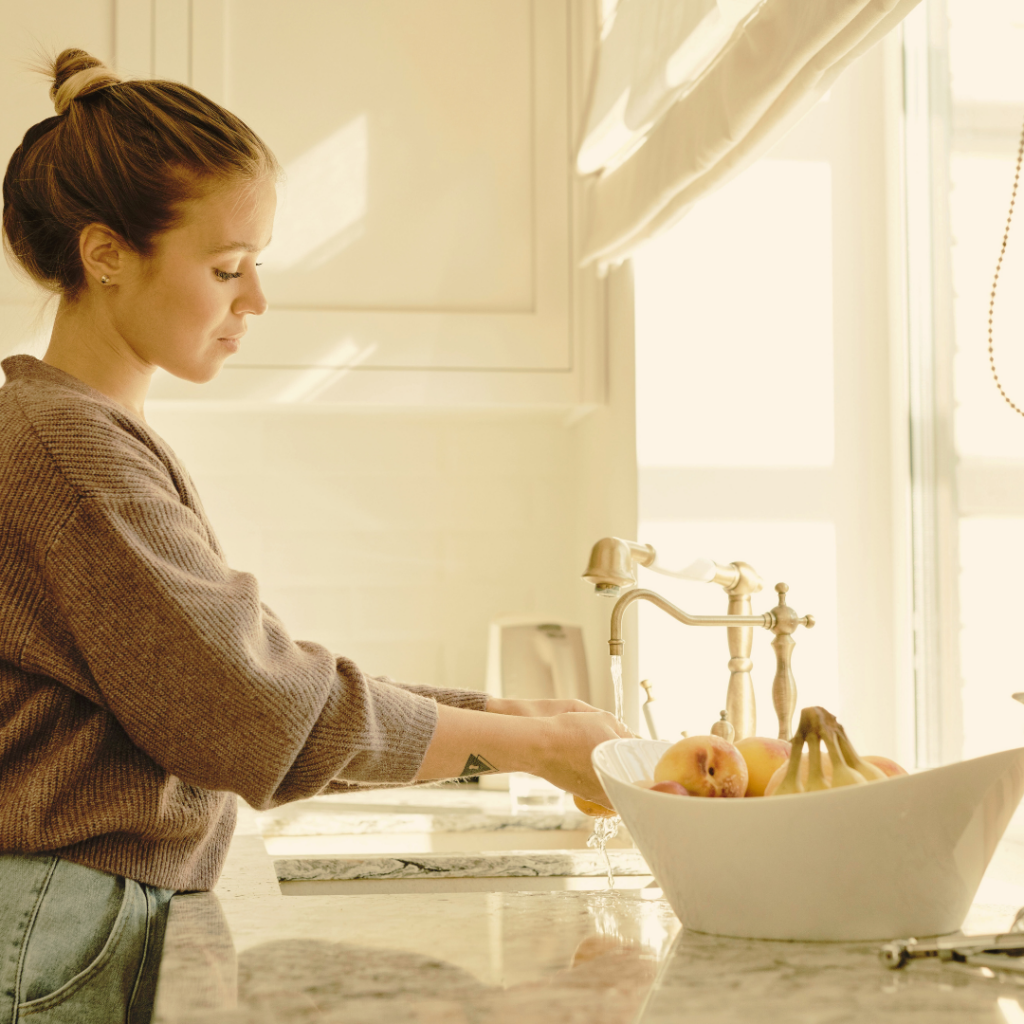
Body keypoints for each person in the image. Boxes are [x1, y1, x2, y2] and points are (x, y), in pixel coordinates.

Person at [0, 49, 629, 1023]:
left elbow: (247, 678)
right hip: (59, 923)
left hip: (67, 916)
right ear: (106, 255)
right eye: (227, 268)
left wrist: (511, 718)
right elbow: (253, 708)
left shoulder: (72, 436)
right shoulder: (71, 453)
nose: (256, 301)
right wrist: (533, 742)